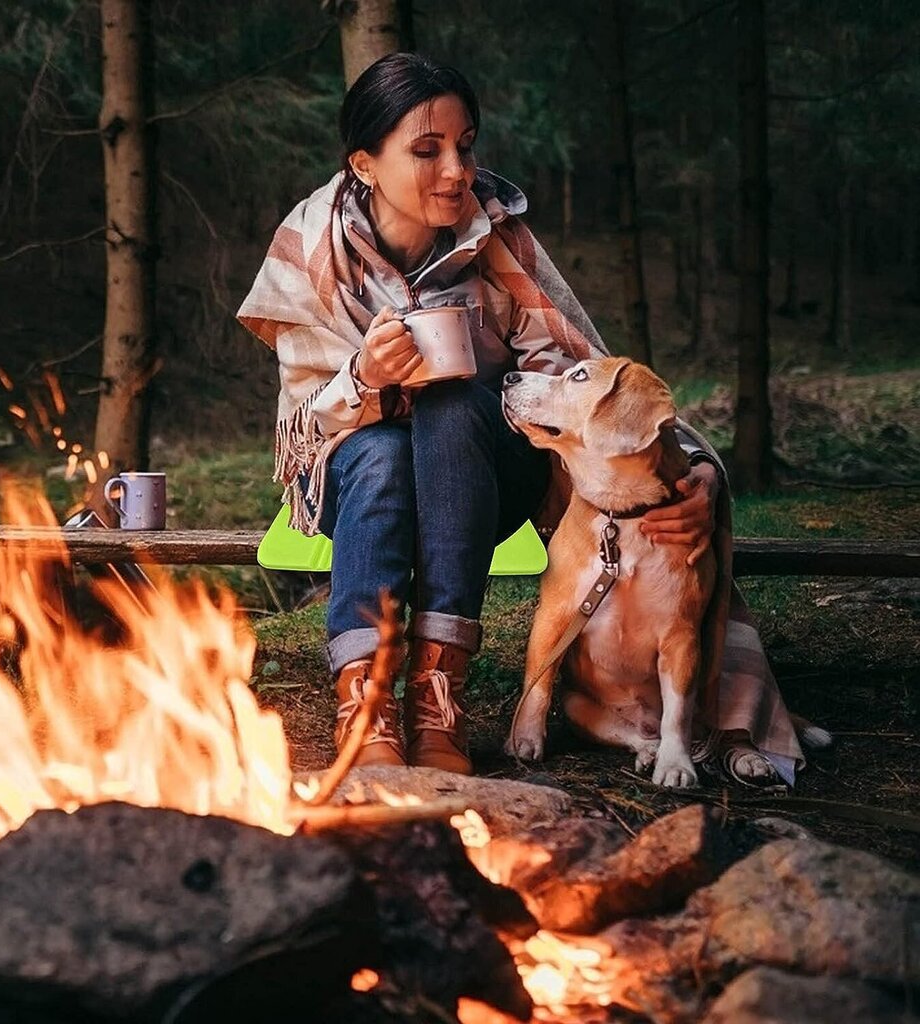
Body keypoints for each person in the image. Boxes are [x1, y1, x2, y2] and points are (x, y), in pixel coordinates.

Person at [238, 52, 804, 783]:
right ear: (365, 164)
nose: (457, 171)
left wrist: (687, 471)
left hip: (479, 478)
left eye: (465, 146)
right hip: (354, 480)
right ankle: (368, 701)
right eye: (427, 150)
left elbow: (592, 380)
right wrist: (364, 377)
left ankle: (440, 694)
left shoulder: (497, 239)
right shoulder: (310, 246)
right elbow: (304, 432)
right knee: (380, 456)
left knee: (452, 402)